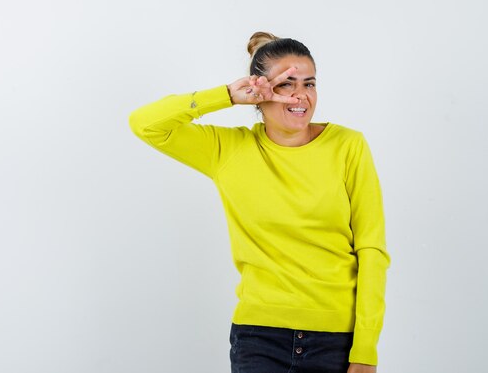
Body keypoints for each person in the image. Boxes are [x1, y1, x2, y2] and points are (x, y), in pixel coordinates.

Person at [128, 32, 390, 373]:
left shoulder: (348, 146)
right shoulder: (227, 150)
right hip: (259, 338)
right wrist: (226, 96)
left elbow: (371, 249)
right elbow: (145, 124)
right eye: (286, 85)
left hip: (336, 340)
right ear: (258, 92)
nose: (301, 96)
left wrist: (366, 349)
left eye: (309, 84)